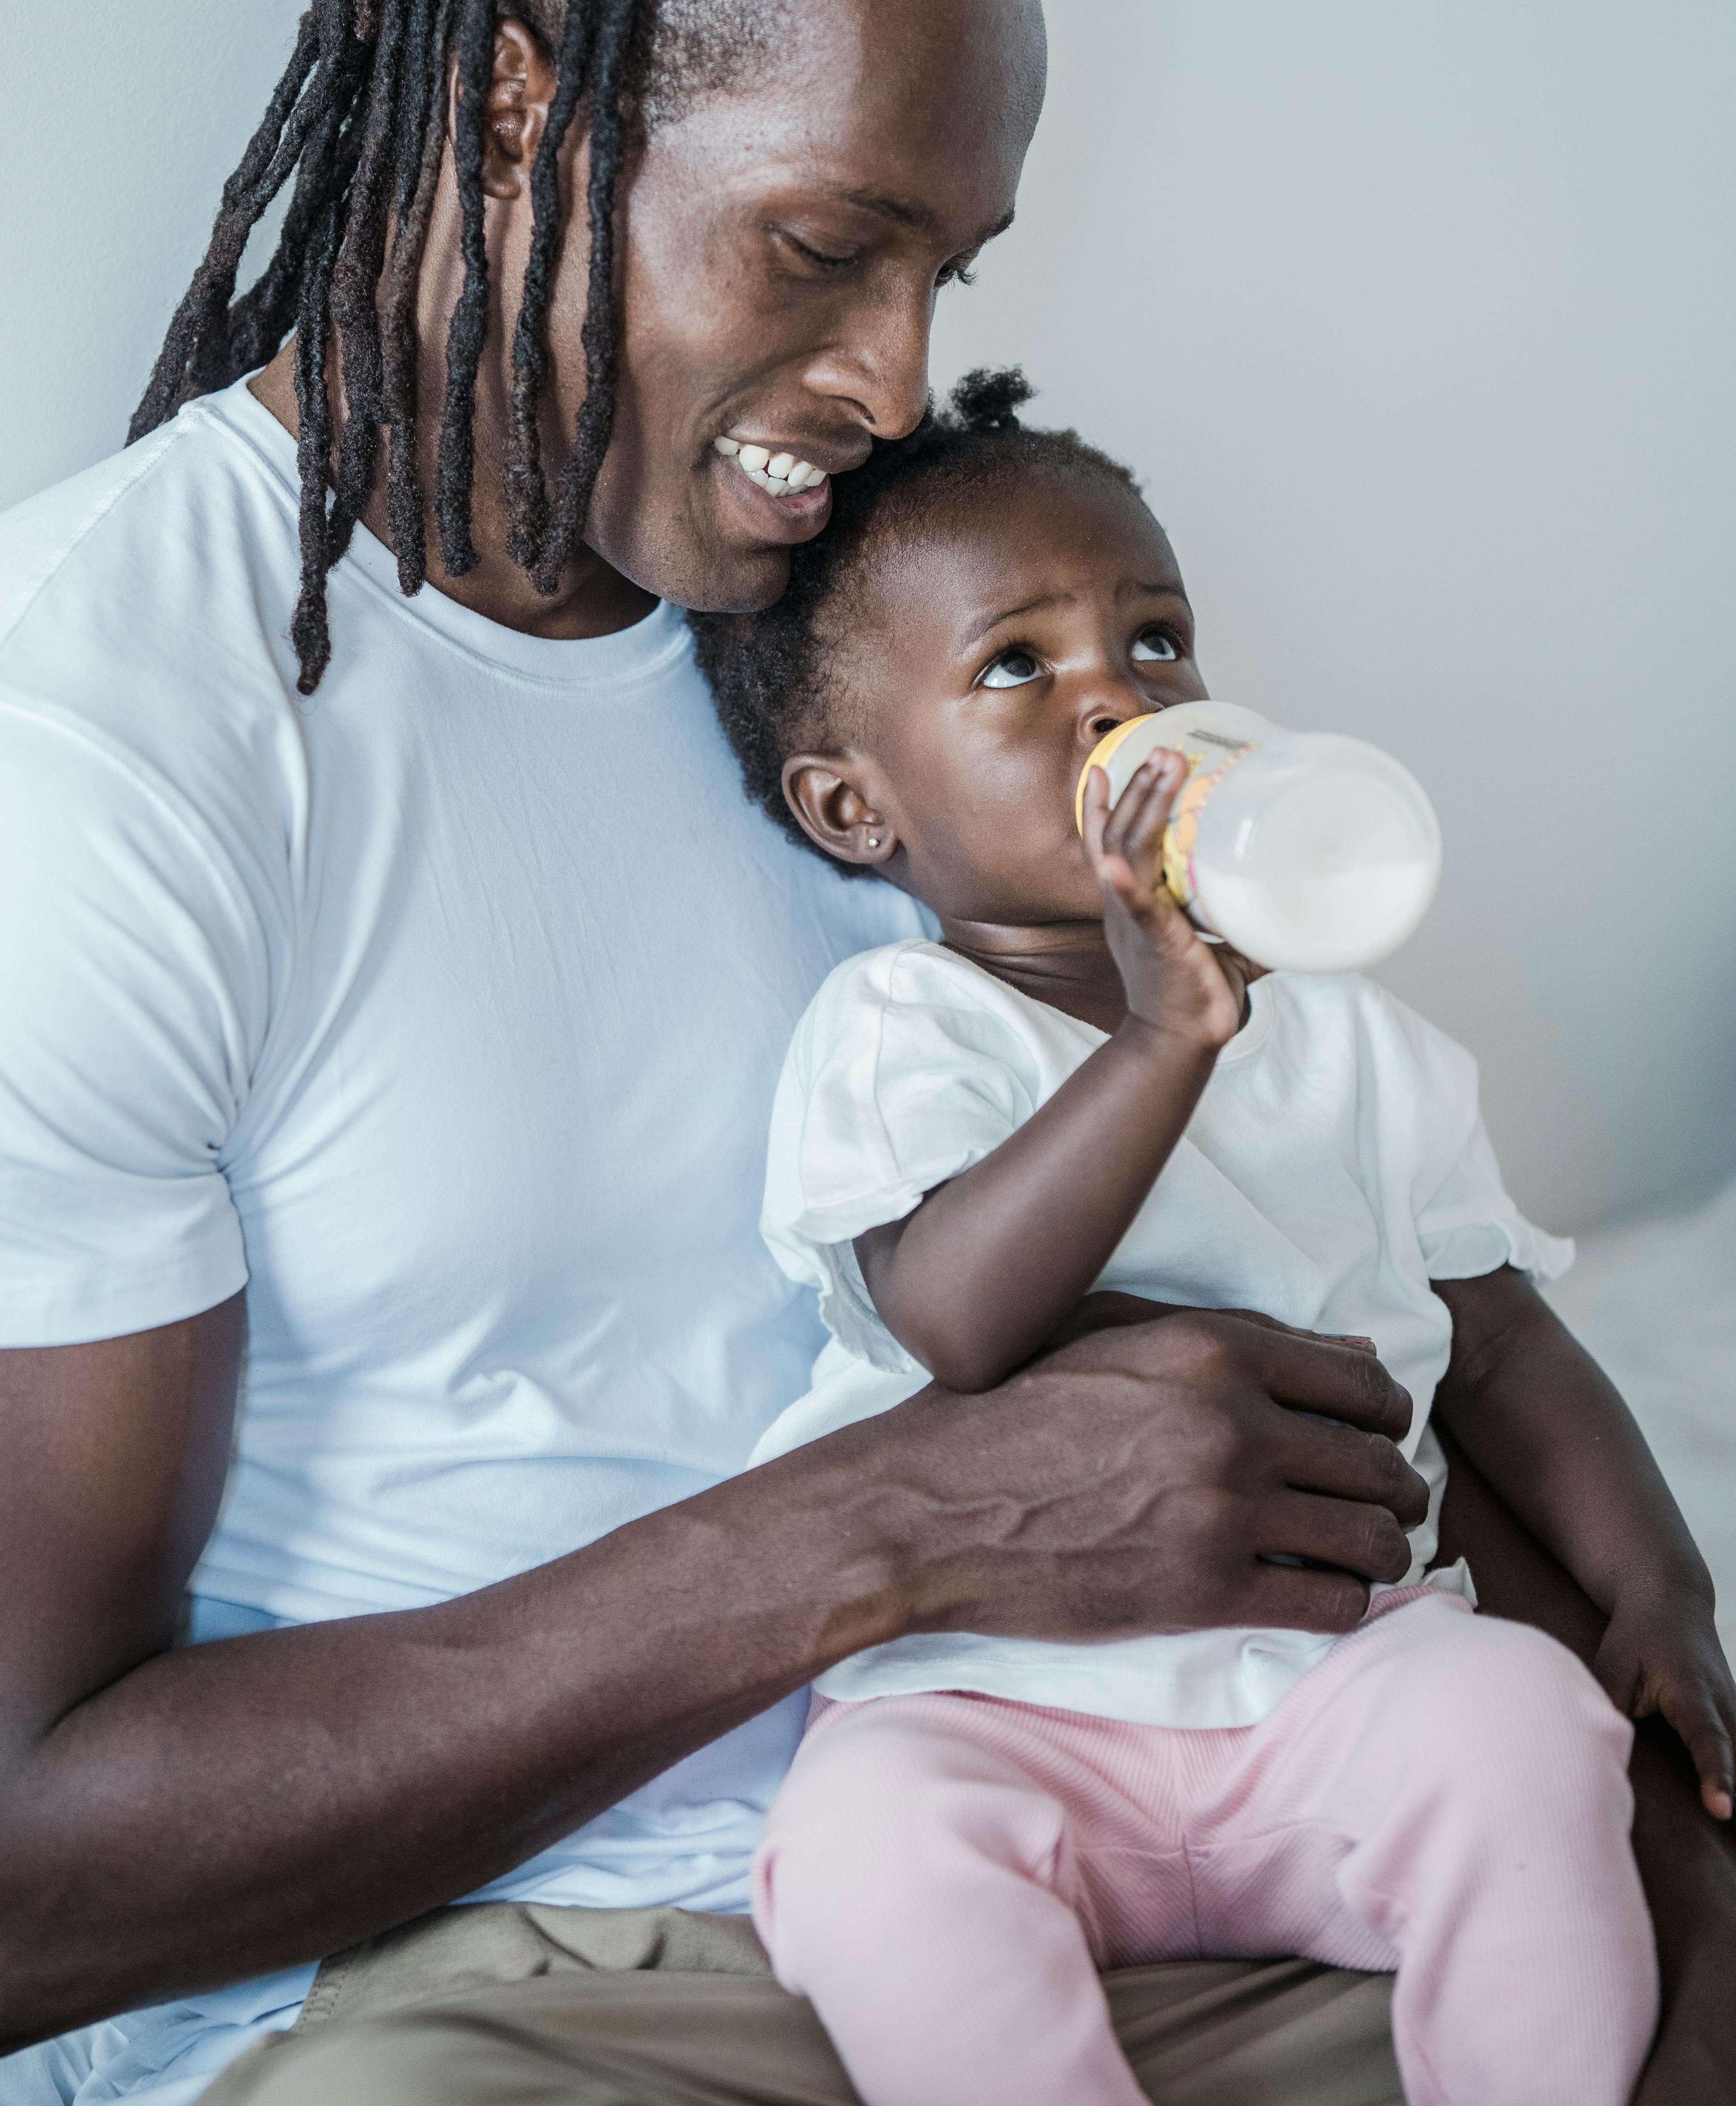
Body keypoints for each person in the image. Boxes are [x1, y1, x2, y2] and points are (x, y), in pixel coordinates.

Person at [0, 0, 1726, 2106]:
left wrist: (1637, 1767)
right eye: (825, 251)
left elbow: (1313, 1227)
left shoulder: (897, 648)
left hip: (1129, 1843)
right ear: (518, 111)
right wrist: (896, 1527)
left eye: (945, 276)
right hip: (484, 1984)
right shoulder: (82, 764)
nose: (892, 392)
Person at [690, 367, 1736, 2106]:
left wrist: (1663, 1594)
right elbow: (952, 1322)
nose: (1117, 701)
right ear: (856, 812)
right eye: (1017, 666)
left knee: (1523, 1726)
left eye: (1157, 640)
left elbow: (1502, 1344)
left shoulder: (1352, 1041)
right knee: (864, 1852)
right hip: (989, 1707)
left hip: (1335, 1685)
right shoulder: (905, 1029)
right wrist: (1168, 1035)